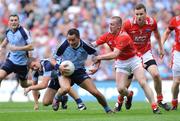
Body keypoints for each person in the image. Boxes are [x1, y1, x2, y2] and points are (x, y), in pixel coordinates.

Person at [92, 16, 161, 114]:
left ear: (119, 26)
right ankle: (129, 95)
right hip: (121, 63)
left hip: (134, 60)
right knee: (120, 89)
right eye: (109, 24)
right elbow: (93, 44)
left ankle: (154, 106)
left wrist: (98, 57)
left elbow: (115, 54)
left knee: (142, 82)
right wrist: (79, 45)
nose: (110, 26)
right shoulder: (107, 36)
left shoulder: (123, 36)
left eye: (112, 24)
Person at [119, 3, 170, 111]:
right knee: (125, 86)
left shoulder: (152, 22)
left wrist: (161, 48)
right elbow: (120, 39)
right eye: (137, 14)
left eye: (141, 14)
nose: (139, 16)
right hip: (132, 55)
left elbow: (157, 35)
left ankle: (160, 99)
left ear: (145, 14)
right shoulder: (127, 24)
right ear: (134, 14)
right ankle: (119, 101)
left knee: (156, 74)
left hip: (146, 53)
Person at [52, 28, 113, 114]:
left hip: (79, 71)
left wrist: (96, 67)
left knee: (95, 92)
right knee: (65, 89)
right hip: (64, 71)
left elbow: (97, 56)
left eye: (73, 40)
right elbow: (52, 59)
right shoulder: (64, 45)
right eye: (69, 40)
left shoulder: (86, 46)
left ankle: (108, 109)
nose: (70, 42)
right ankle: (56, 98)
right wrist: (59, 67)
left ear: (79, 38)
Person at [0, 14, 33, 88]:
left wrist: (17, 48)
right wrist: (1, 47)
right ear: (9, 22)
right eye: (11, 20)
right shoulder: (8, 31)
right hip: (11, 60)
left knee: (23, 85)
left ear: (18, 22)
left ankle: (35, 83)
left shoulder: (23, 32)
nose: (13, 22)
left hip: (22, 63)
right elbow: (6, 40)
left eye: (15, 20)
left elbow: (31, 46)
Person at [161, 15, 180, 110]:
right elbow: (167, 31)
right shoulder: (176, 20)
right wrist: (161, 45)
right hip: (178, 53)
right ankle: (174, 101)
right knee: (176, 81)